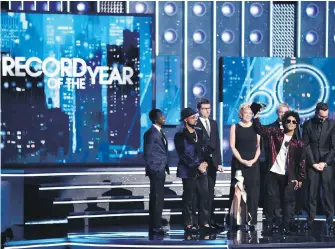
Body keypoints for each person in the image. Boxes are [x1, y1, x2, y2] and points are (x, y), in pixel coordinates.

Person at [254, 109, 306, 235]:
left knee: (288, 201)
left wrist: (300, 178)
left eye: (294, 122)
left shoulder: (298, 143)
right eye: (288, 121)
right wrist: (255, 116)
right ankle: (272, 225)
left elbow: (302, 162)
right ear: (284, 122)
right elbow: (260, 130)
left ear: (297, 124)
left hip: (289, 176)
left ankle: (287, 226)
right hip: (273, 173)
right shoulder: (275, 133)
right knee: (272, 200)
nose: (291, 123)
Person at [174, 108, 212, 233]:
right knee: (189, 198)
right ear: (186, 120)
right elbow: (183, 154)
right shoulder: (179, 135)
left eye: (196, 117)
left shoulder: (200, 132)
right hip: (188, 169)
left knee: (204, 196)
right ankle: (189, 223)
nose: (196, 119)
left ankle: (204, 222)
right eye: (193, 117)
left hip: (202, 169)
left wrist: (205, 162)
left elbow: (205, 148)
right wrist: (197, 165)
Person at [302, 102, 335, 230]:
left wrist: (325, 162)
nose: (323, 119)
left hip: (327, 164)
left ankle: (330, 220)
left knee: (328, 192)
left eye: (325, 117)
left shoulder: (332, 124)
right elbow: (306, 145)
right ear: (316, 113)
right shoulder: (308, 124)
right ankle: (310, 219)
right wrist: (313, 163)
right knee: (311, 192)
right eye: (321, 117)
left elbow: (333, 147)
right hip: (312, 163)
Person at [229, 103, 261, 230]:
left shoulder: (256, 127)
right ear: (241, 114)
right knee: (238, 192)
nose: (248, 115)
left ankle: (251, 221)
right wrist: (242, 160)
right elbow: (232, 146)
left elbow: (259, 146)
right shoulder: (235, 127)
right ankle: (237, 221)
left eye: (250, 113)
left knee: (252, 192)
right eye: (245, 113)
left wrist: (253, 160)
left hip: (253, 163)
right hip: (239, 162)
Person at [193, 99, 224, 229]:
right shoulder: (195, 123)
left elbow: (217, 143)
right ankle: (202, 221)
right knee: (202, 193)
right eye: (205, 108)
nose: (207, 111)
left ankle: (210, 220)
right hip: (202, 163)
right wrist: (199, 163)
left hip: (213, 163)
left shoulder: (213, 123)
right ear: (199, 109)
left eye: (209, 108)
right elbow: (195, 146)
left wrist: (219, 162)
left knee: (210, 192)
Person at [261, 103, 290, 227]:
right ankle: (273, 219)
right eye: (281, 112)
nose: (283, 114)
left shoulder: (294, 127)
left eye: (285, 112)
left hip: (288, 167)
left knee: (286, 194)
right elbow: (267, 147)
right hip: (273, 165)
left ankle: (286, 220)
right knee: (272, 194)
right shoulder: (270, 128)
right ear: (277, 113)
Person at [143, 109, 170, 235]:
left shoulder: (159, 132)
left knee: (158, 198)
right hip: (156, 170)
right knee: (156, 198)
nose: (164, 118)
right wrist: (154, 168)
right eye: (162, 116)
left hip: (160, 169)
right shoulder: (151, 133)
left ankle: (156, 224)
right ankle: (155, 225)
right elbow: (147, 154)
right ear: (155, 119)